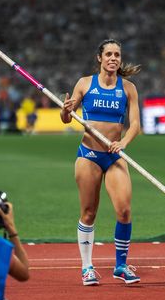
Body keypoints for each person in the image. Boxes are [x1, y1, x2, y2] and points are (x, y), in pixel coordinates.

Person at [60, 38, 141, 286]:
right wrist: (65, 109)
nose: (113, 58)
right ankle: (87, 268)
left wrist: (124, 142)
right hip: (89, 156)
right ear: (100, 58)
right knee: (89, 212)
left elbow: (135, 124)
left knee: (124, 210)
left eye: (117, 54)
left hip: (115, 156)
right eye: (109, 54)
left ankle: (120, 266)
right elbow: (67, 118)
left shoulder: (128, 88)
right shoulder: (85, 84)